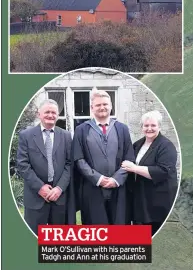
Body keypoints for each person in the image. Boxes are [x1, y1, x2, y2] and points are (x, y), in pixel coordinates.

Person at [71, 89, 135, 224]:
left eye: (105, 104)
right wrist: (98, 179)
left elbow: (129, 157)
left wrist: (116, 179)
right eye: (98, 105)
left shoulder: (122, 129)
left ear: (111, 106)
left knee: (119, 233)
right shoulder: (81, 130)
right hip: (92, 189)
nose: (102, 107)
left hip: (118, 189)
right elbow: (79, 159)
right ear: (92, 108)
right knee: (95, 232)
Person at [16, 99, 72, 233]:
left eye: (54, 112)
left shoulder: (65, 135)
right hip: (35, 197)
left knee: (58, 241)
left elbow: (70, 164)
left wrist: (59, 188)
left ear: (58, 115)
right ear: (38, 114)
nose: (50, 115)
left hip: (59, 197)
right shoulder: (26, 135)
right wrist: (40, 187)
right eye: (47, 112)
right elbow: (22, 164)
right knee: (33, 239)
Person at [122, 110, 178, 235]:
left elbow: (163, 171)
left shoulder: (166, 146)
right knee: (140, 238)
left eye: (153, 125)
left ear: (159, 126)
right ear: (141, 127)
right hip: (141, 201)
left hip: (157, 203)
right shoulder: (138, 144)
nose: (149, 128)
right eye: (146, 125)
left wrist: (134, 168)